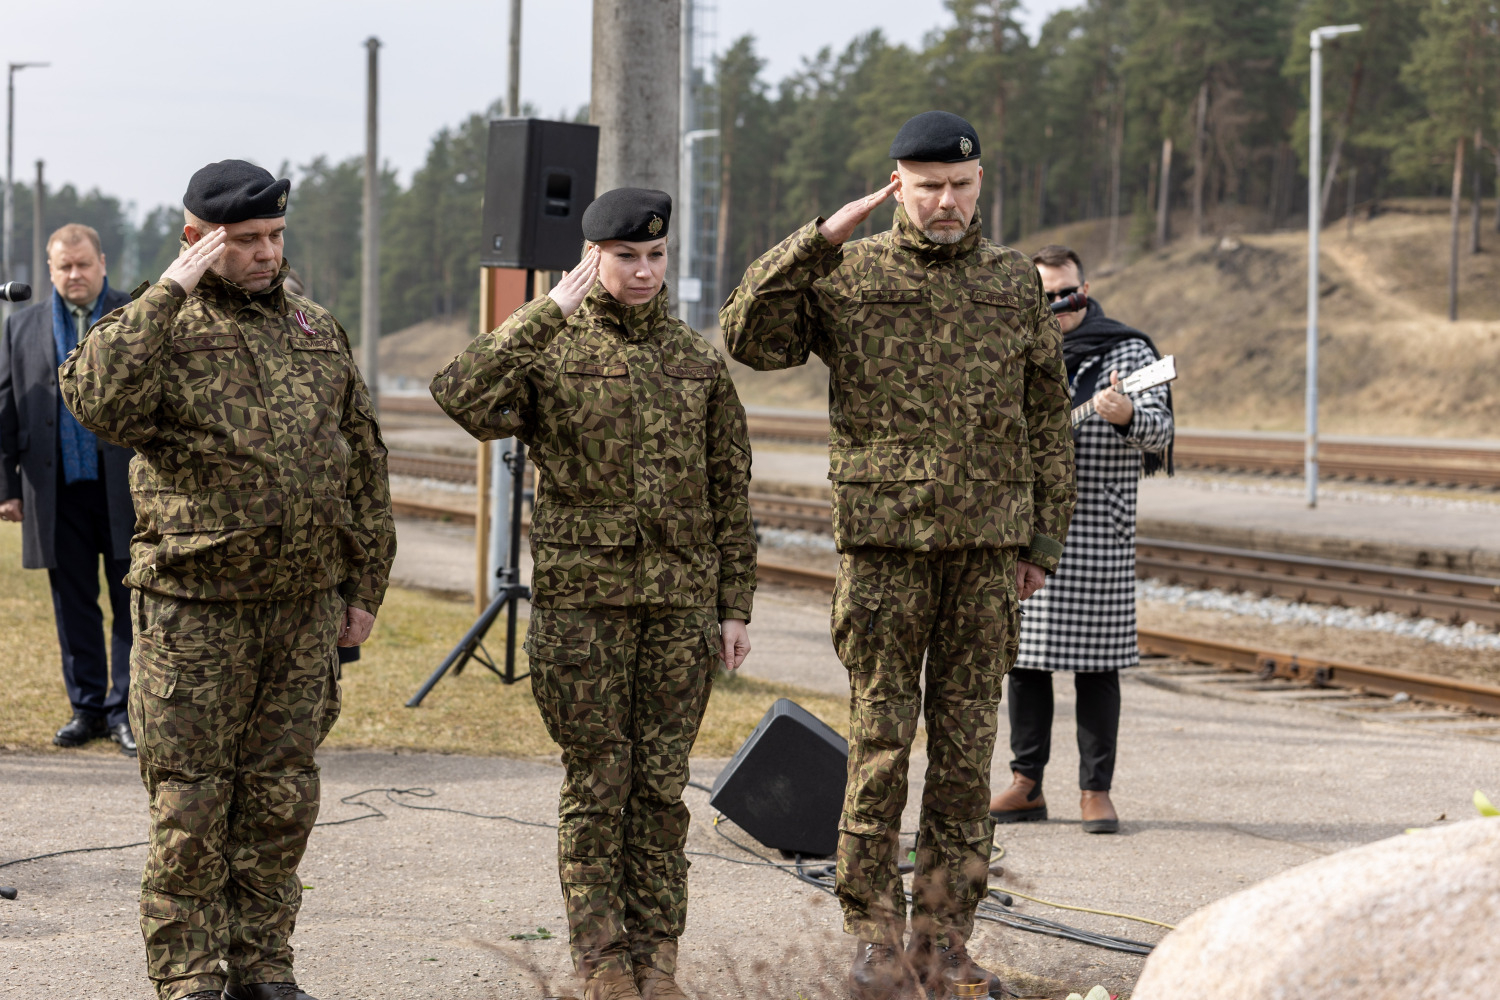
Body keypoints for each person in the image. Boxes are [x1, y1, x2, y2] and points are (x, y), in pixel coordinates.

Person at [721, 111, 1076, 1000]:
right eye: (927, 188)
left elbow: (1046, 416)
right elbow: (747, 336)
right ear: (897, 188)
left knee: (966, 756)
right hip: (886, 551)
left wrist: (1041, 543)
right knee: (881, 746)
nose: (945, 202)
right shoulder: (850, 272)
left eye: (959, 186)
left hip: (988, 555)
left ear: (980, 184)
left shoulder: (1012, 282)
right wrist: (815, 239)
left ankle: (944, 945)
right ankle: (876, 940)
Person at [58, 159, 396, 1000]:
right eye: (245, 241)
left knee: (281, 801)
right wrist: (169, 292)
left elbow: (363, 460)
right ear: (198, 239)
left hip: (303, 610)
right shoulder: (158, 329)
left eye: (275, 238)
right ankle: (188, 976)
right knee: (191, 804)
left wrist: (364, 587)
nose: (265, 255)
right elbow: (93, 399)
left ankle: (263, 966)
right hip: (196, 612)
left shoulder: (316, 329)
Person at [431, 188, 755, 1000]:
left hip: (679, 609)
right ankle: (602, 962)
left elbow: (729, 491)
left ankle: (658, 960)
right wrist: (545, 312)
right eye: (625, 258)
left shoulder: (696, 359)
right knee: (597, 783)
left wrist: (734, 605)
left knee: (660, 789)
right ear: (593, 259)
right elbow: (460, 395)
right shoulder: (552, 348)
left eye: (654, 257)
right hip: (585, 612)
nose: (643, 271)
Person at [988, 245, 1173, 836]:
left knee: (1097, 668)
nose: (1057, 305)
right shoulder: (1015, 349)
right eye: (1043, 296)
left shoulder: (1129, 351)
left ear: (1084, 291)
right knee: (1026, 663)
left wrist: (1123, 415)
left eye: (1066, 293)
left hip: (1097, 530)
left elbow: (1161, 427)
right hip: (1029, 528)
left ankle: (1096, 790)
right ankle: (1026, 784)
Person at [0, 223, 137, 754]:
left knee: (132, 601)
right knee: (73, 602)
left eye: (83, 264)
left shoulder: (135, 315)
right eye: (64, 267)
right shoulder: (22, 327)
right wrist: (6, 485)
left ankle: (124, 710)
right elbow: (7, 410)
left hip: (127, 488)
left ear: (102, 262)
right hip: (54, 489)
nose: (75, 274)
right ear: (50, 271)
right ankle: (86, 710)